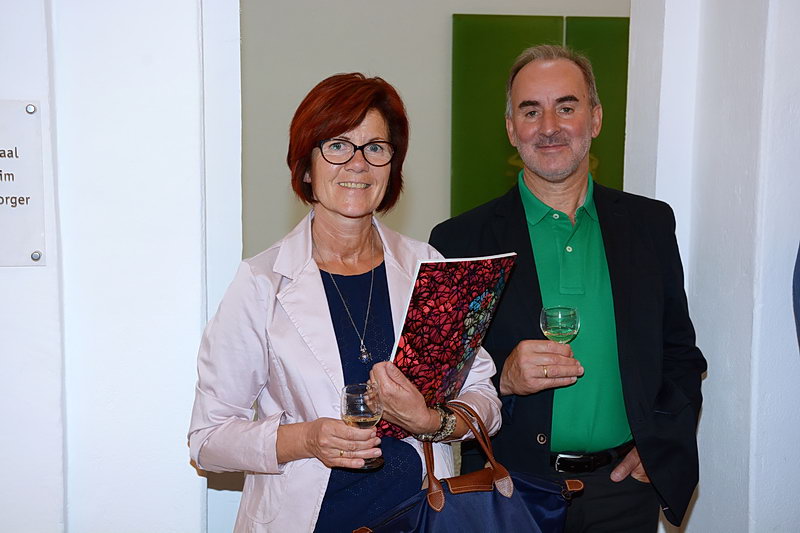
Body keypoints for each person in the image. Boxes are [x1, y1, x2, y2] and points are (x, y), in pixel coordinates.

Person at [187, 73, 501, 533]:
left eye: (375, 147)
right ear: (306, 167)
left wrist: (429, 421)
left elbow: (484, 398)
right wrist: (306, 439)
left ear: (392, 166)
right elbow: (208, 440)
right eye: (338, 145)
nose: (358, 163)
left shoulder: (427, 266)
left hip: (422, 517)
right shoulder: (261, 282)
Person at [429, 45, 707, 531]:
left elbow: (680, 354)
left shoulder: (650, 224)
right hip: (505, 490)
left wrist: (658, 445)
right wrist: (501, 379)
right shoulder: (459, 241)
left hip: (623, 494)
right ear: (511, 128)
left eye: (566, 107)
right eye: (530, 111)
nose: (549, 127)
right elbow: (434, 386)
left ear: (595, 119)